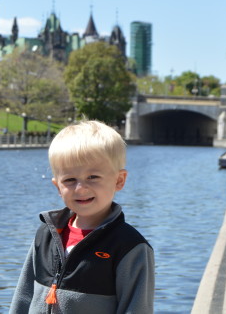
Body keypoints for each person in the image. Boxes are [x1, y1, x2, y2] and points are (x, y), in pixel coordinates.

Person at [9, 120, 155, 313]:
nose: (81, 188)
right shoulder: (46, 235)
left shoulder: (129, 247)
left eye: (93, 177)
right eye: (70, 180)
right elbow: (22, 297)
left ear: (119, 180)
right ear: (58, 187)